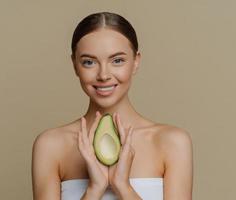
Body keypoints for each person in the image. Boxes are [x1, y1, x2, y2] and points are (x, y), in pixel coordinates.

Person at [32, 11, 193, 200]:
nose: (103, 75)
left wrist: (123, 187)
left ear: (136, 61)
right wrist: (95, 188)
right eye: (89, 62)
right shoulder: (51, 146)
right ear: (75, 65)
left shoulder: (172, 142)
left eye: (117, 60)